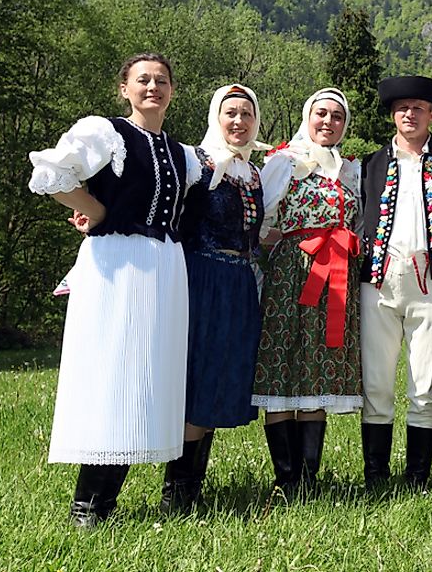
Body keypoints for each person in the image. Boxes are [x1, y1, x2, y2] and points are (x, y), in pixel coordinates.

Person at [28, 52, 201, 527]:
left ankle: (105, 502)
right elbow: (51, 175)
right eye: (142, 80)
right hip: (116, 265)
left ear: (172, 90)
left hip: (164, 267)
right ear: (124, 88)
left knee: (143, 382)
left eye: (162, 80)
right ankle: (89, 507)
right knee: (113, 376)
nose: (153, 87)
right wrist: (98, 211)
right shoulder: (106, 133)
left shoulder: (184, 156)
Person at [160, 84, 269, 512]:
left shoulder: (252, 173)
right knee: (198, 376)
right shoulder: (193, 161)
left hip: (239, 283)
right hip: (200, 278)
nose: (239, 121)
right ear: (215, 117)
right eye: (231, 113)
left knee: (220, 378)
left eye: (246, 113)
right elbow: (156, 201)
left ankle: (190, 487)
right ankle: (177, 494)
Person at [358, 75, 432, 490]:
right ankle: (375, 475)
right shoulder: (369, 164)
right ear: (393, 114)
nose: (410, 114)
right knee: (376, 379)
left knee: (426, 379)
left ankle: (418, 475)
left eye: (418, 108)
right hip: (379, 279)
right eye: (402, 108)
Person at [252, 88, 363, 497]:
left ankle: (307, 481)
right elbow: (257, 212)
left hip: (337, 280)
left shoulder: (348, 170)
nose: (328, 122)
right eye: (321, 114)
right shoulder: (284, 162)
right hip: (291, 275)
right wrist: (269, 238)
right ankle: (285, 479)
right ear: (307, 116)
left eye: (337, 116)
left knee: (316, 370)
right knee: (283, 368)